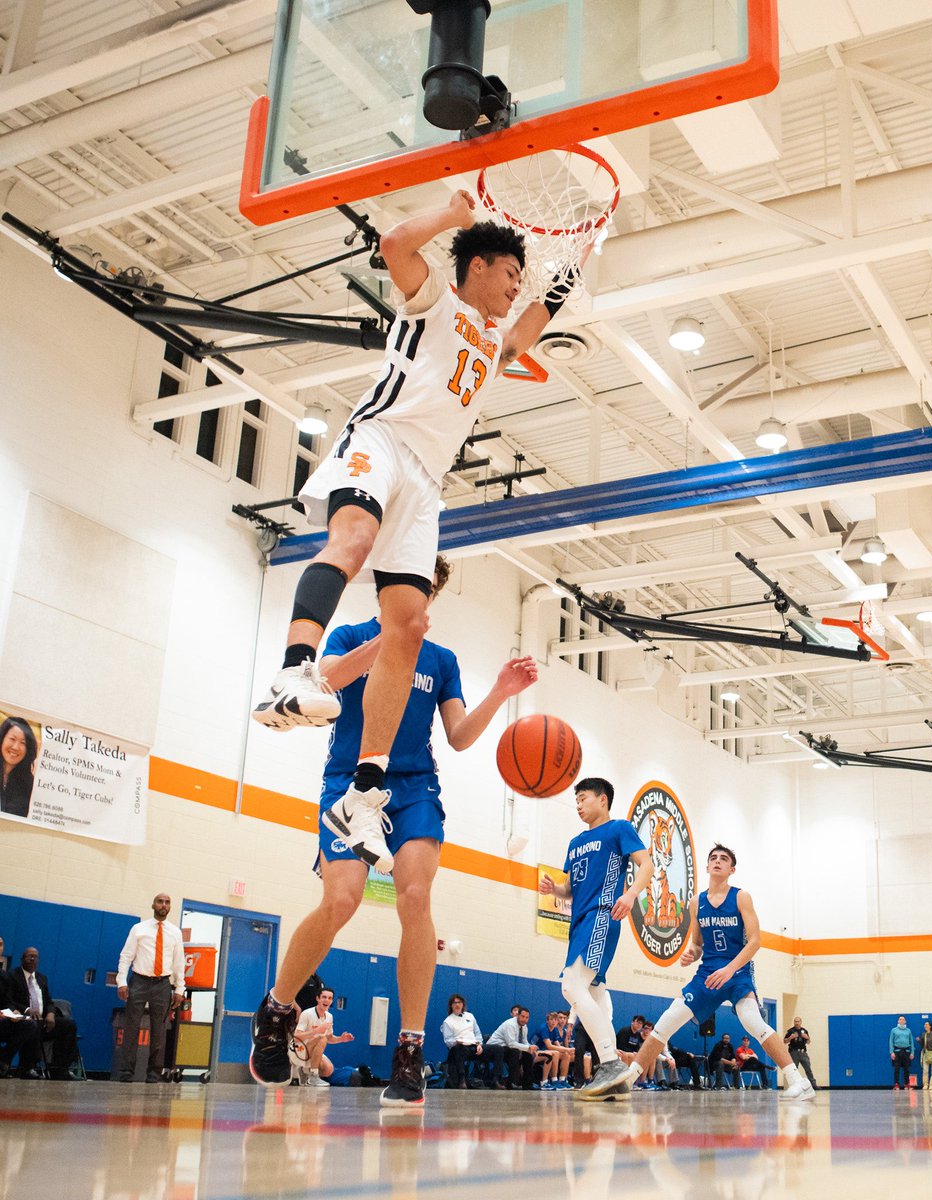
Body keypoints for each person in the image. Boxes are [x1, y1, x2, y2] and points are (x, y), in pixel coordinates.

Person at [251, 191, 577, 868]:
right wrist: (453, 216)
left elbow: (528, 330)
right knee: (353, 541)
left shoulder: (491, 341)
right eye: (512, 272)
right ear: (479, 268)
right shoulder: (436, 303)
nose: (519, 285)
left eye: (523, 279)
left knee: (409, 626)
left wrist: (574, 264)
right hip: (382, 440)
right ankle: (292, 673)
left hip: (428, 480)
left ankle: (364, 794)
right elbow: (396, 244)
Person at [248, 556, 538, 1108]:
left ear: (433, 591)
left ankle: (409, 1049)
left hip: (414, 788)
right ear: (384, 586)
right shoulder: (353, 633)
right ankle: (278, 1008)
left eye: (425, 587)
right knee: (341, 899)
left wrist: (500, 692)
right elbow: (326, 682)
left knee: (416, 896)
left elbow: (457, 736)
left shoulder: (443, 660)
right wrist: (389, 641)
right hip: (350, 778)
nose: (416, 593)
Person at [618, 844, 814, 1101]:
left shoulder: (741, 897)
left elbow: (755, 941)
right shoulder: (696, 902)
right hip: (708, 973)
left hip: (737, 971)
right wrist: (692, 953)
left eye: (724, 859)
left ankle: (799, 1082)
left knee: (753, 1022)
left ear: (732, 869)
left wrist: (730, 969)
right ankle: (628, 1079)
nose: (717, 861)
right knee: (669, 1018)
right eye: (713, 858)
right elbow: (698, 944)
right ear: (708, 866)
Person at [538, 777, 652, 1102]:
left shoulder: (619, 828)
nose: (578, 805)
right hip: (579, 922)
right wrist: (554, 889)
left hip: (603, 914)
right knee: (593, 993)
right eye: (576, 800)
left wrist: (630, 894)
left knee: (571, 986)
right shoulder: (575, 842)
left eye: (583, 798)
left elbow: (647, 864)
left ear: (602, 800)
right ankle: (612, 1077)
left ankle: (611, 1064)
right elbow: (571, 888)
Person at [114, 892, 187, 1083]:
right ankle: (126, 1073)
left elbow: (179, 962)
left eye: (167, 902)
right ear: (153, 905)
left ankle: (154, 1074)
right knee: (131, 1028)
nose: (163, 905)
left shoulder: (175, 933)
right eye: (160, 901)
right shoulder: (139, 929)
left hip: (163, 984)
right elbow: (126, 956)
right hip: (138, 981)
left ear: (170, 907)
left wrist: (180, 988)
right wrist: (121, 982)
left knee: (159, 1031)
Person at [7, 947, 79, 1079]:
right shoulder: (12, 976)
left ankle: (60, 1069)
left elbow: (49, 1002)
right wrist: (27, 1010)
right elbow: (9, 1001)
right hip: (24, 1020)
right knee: (33, 1024)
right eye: (29, 956)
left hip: (43, 1020)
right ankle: (28, 1067)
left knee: (69, 1025)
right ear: (22, 959)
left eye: (35, 956)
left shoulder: (42, 978)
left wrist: (50, 1014)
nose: (32, 959)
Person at [289, 987, 353, 1086]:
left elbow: (329, 1038)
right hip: (298, 1049)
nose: (326, 1000)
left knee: (328, 1070)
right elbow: (297, 1037)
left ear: (332, 1001)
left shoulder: (329, 1017)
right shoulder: (307, 1013)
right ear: (318, 999)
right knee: (322, 1038)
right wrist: (317, 1031)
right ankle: (313, 1077)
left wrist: (341, 1039)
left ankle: (304, 1070)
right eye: (324, 997)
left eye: (329, 998)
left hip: (313, 1048)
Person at [0, 935, 37, 1078]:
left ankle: (3, 1060)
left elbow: (7, 1001)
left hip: (3, 1020)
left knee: (29, 1025)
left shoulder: (4, 976)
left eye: (1, 945)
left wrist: (14, 1012)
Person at [482, 1007, 536, 1089]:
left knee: (527, 1054)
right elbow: (511, 1044)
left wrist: (531, 1048)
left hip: (506, 1048)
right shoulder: (510, 1024)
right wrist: (528, 1048)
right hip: (494, 1048)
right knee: (514, 1052)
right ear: (517, 1015)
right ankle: (512, 1082)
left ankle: (528, 1084)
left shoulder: (524, 1027)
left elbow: (524, 1042)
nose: (524, 1019)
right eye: (522, 1016)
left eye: (527, 1017)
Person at [440, 993, 483, 1089]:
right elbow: (448, 1041)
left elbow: (478, 1033)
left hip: (474, 1046)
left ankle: (499, 1081)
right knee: (458, 1049)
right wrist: (456, 1042)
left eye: (459, 1002)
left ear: (463, 1004)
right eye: (454, 1003)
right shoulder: (448, 1021)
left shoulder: (470, 1016)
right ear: (451, 1006)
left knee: (497, 1049)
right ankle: (462, 1079)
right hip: (460, 1047)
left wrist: (479, 1044)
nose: (457, 1005)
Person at [0, 716, 37, 819]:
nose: (16, 747)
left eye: (23, 743)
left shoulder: (30, 785)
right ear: (2, 738)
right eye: (12, 739)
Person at [784, 1015, 818, 1090]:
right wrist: (790, 1037)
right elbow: (784, 1041)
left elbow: (808, 1042)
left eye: (798, 1021)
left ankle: (813, 1085)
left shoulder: (804, 1031)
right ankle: (793, 1086)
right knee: (794, 1070)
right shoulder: (790, 1031)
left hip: (803, 1052)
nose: (797, 1023)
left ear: (801, 1022)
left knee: (808, 1068)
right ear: (794, 1022)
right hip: (794, 1052)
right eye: (795, 1021)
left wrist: (807, 1038)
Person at [889, 1016, 914, 1090]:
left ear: (905, 1021)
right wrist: (891, 1052)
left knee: (907, 1069)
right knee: (896, 1069)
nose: (902, 1020)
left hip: (906, 1052)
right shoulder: (894, 1030)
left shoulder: (908, 1031)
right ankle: (896, 1084)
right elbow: (891, 1041)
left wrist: (912, 1052)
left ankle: (907, 1084)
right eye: (900, 1019)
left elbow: (911, 1042)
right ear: (898, 1021)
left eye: (903, 1019)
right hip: (897, 1052)